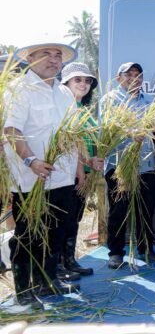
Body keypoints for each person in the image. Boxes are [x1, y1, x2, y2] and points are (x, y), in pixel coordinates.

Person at [4, 43, 81, 308]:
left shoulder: (64, 92)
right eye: (46, 53)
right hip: (30, 180)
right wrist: (31, 160)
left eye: (57, 54)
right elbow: (11, 130)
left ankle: (47, 281)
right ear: (30, 58)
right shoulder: (18, 90)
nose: (53, 59)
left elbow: (73, 134)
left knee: (55, 232)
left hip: (62, 178)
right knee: (27, 235)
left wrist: (81, 165)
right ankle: (24, 289)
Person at [102, 62, 155, 269]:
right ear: (119, 78)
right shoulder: (110, 100)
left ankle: (146, 248)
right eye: (129, 74)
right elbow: (107, 128)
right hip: (119, 166)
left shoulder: (149, 102)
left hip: (146, 164)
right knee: (119, 210)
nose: (134, 78)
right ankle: (116, 252)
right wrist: (129, 133)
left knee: (146, 209)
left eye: (138, 75)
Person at [60, 62, 104, 276]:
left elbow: (86, 143)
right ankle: (59, 266)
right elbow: (69, 145)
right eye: (77, 79)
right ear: (65, 82)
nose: (83, 84)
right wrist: (86, 164)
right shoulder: (64, 108)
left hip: (82, 174)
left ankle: (69, 261)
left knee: (74, 219)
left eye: (87, 81)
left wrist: (93, 161)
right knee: (63, 220)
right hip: (67, 174)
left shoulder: (83, 110)